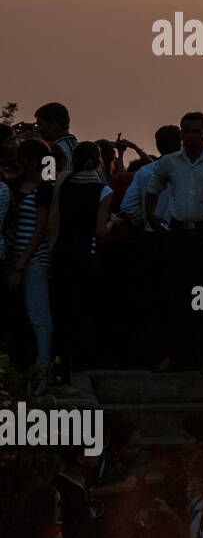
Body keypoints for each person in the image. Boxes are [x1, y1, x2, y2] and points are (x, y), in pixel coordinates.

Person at [146, 112, 203, 376]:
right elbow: (152, 190)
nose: (191, 136)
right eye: (186, 131)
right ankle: (174, 355)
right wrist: (155, 221)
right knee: (175, 297)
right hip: (178, 235)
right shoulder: (170, 163)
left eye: (196, 131)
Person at [50, 141, 115, 376]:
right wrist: (112, 222)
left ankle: (61, 357)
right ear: (99, 161)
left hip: (61, 252)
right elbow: (100, 230)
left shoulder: (64, 183)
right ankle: (83, 356)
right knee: (85, 307)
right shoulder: (103, 190)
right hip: (86, 255)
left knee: (63, 307)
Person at [6, 138, 55, 371]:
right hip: (13, 255)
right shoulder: (15, 186)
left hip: (34, 258)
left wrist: (20, 264)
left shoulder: (45, 188)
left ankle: (43, 369)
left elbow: (40, 229)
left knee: (39, 315)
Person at [34, 103, 77, 175]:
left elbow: (47, 182)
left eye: (40, 125)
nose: (37, 129)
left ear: (54, 125)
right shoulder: (86, 150)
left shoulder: (49, 151)